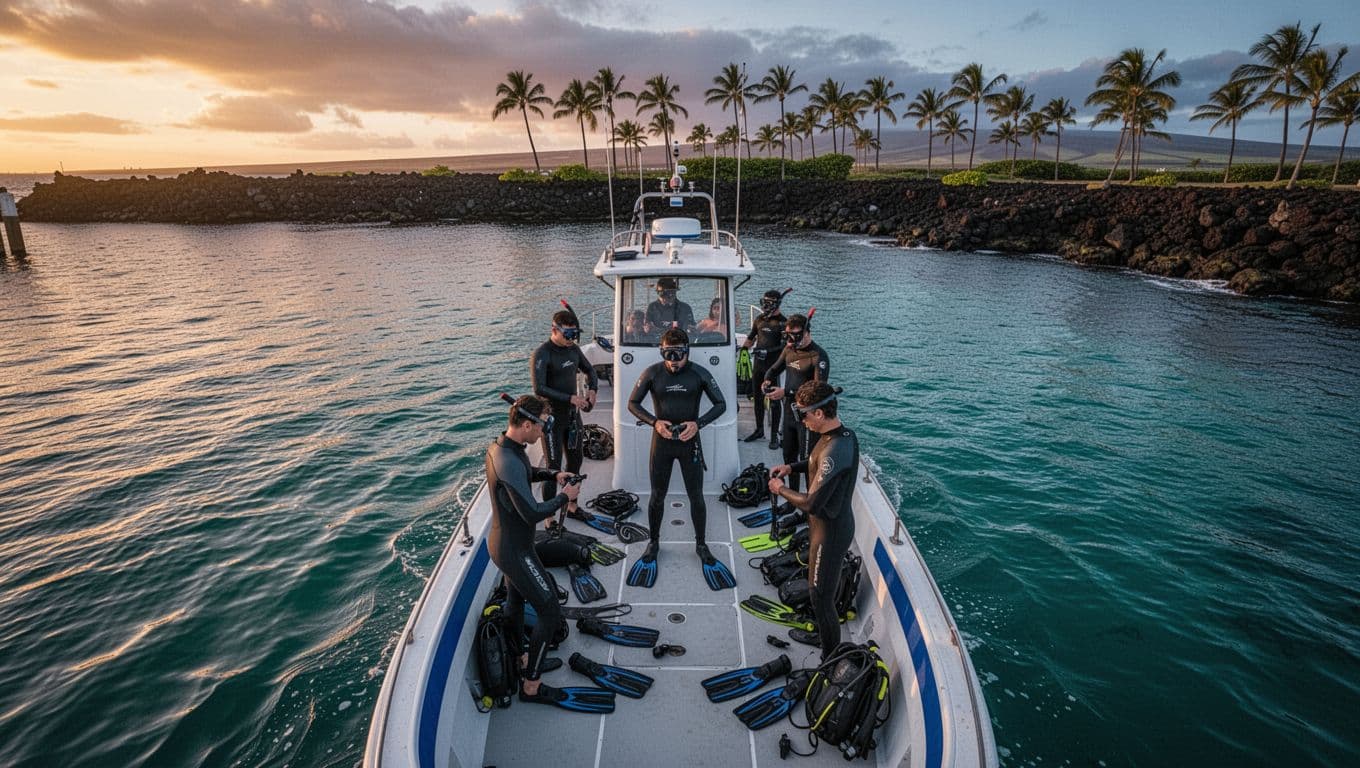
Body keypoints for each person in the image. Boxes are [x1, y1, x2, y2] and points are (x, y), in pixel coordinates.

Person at [485, 395, 591, 708]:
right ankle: (531, 686)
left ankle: (520, 658)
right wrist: (565, 496)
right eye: (543, 426)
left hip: (510, 546)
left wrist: (552, 474)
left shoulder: (507, 449)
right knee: (549, 609)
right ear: (527, 424)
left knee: (516, 601)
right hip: (514, 550)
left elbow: (526, 473)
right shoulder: (506, 460)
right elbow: (531, 513)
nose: (544, 432)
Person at [625, 328, 732, 589]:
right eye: (668, 354)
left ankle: (701, 545)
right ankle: (653, 542)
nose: (673, 360)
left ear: (687, 352)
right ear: (661, 352)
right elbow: (632, 403)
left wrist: (697, 424)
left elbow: (721, 404)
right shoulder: (652, 373)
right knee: (657, 495)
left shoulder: (698, 373)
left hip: (688, 443)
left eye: (679, 354)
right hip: (661, 442)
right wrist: (654, 422)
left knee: (696, 496)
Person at [767, 381, 859, 659]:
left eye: (803, 415)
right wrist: (791, 467)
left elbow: (812, 503)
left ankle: (829, 657)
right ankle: (821, 634)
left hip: (830, 531)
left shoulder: (835, 449)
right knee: (817, 592)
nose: (801, 421)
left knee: (821, 598)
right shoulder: (836, 437)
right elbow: (814, 464)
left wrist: (779, 489)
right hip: (826, 527)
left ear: (819, 413)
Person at [531, 309, 599, 512]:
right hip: (552, 419)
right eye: (568, 335)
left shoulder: (573, 350)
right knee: (553, 468)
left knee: (576, 461)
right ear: (554, 330)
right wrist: (570, 398)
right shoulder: (542, 354)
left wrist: (593, 390)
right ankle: (549, 516)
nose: (572, 339)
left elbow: (590, 370)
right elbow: (539, 388)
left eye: (575, 334)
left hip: (572, 416)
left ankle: (572, 505)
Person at [761, 313, 830, 493]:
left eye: (797, 336)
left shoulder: (818, 356)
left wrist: (786, 392)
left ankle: (808, 508)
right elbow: (774, 369)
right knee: (788, 459)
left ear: (807, 332)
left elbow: (817, 392)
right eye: (789, 335)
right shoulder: (789, 350)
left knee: (807, 462)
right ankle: (792, 503)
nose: (792, 340)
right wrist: (767, 381)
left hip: (807, 419)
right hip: (790, 415)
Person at [740, 289, 788, 448]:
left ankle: (774, 436)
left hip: (773, 367)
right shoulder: (759, 319)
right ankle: (759, 429)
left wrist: (767, 351)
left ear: (776, 304)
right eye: (764, 303)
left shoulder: (783, 323)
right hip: (759, 365)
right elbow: (751, 336)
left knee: (774, 399)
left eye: (769, 304)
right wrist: (742, 350)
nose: (766, 306)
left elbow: (784, 346)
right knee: (757, 398)